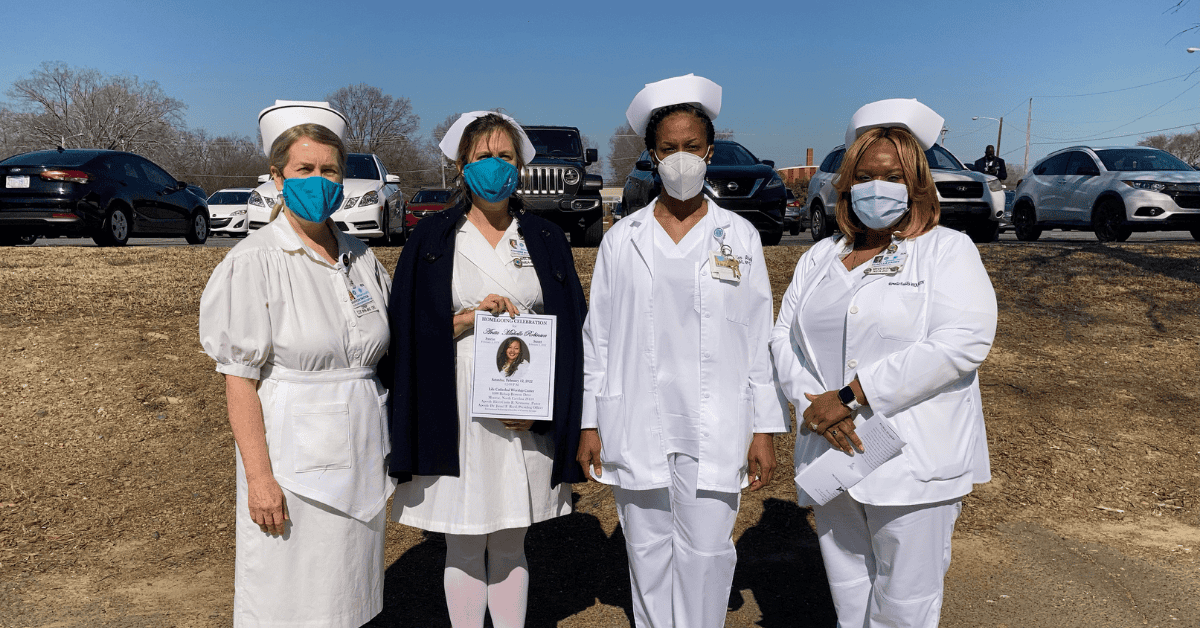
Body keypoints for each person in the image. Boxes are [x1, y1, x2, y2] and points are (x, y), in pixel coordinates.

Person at [770, 98, 998, 628]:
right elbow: (783, 336)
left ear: (917, 184)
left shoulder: (948, 251)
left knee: (905, 604)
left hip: (913, 460)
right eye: (867, 175)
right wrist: (815, 402)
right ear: (847, 184)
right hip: (830, 450)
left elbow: (961, 342)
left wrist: (850, 396)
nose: (879, 186)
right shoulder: (820, 256)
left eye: (893, 176)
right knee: (849, 589)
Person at [577, 74, 790, 628]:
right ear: (651, 155)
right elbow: (595, 338)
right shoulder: (622, 240)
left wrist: (763, 428)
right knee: (646, 555)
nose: (680, 158)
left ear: (709, 151)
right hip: (637, 421)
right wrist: (589, 422)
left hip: (715, 425)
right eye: (668, 148)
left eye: (691, 147)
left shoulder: (738, 237)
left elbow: (757, 336)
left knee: (707, 554)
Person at [198, 100, 396, 627]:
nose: (319, 180)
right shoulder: (255, 260)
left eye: (329, 170)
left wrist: (468, 320)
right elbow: (238, 378)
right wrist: (259, 479)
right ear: (277, 176)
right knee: (293, 597)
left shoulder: (360, 257)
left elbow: (395, 338)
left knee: (350, 594)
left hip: (363, 452)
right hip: (293, 466)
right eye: (304, 169)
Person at [387, 111, 587, 628]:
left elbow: (572, 330)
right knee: (464, 538)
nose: (494, 168)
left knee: (512, 538)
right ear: (461, 168)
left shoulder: (544, 238)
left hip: (525, 406)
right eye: (482, 158)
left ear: (519, 167)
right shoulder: (432, 239)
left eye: (504, 157)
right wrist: (470, 317)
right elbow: (407, 330)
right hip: (454, 406)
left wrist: (547, 408)